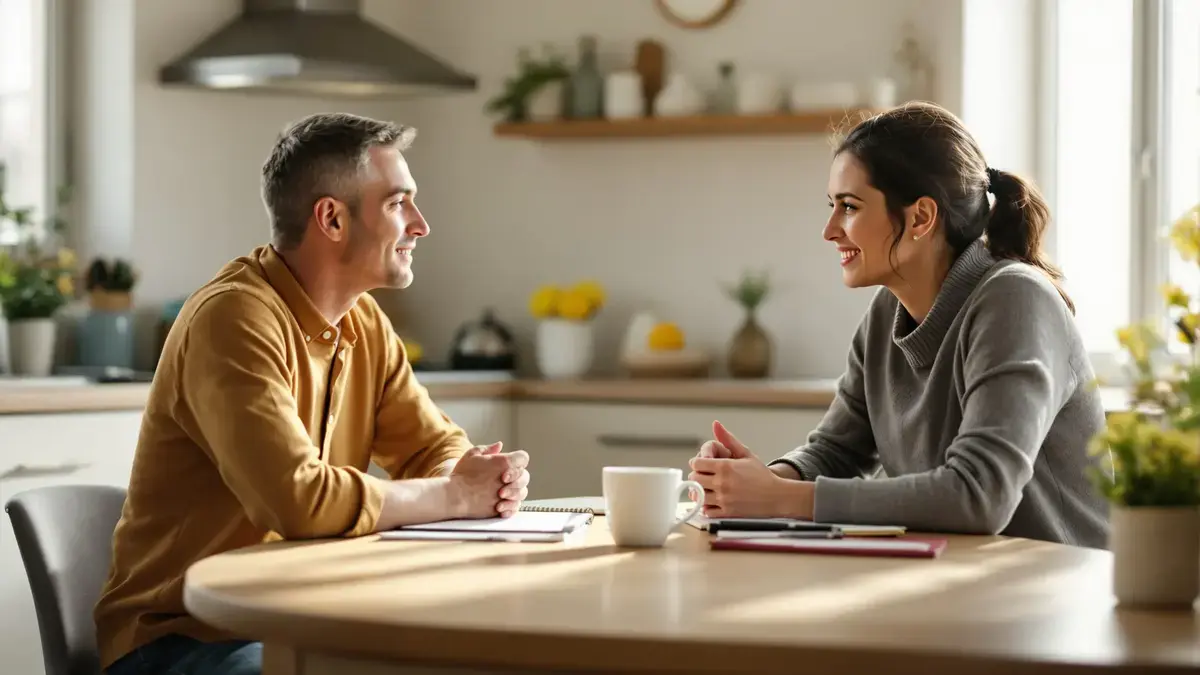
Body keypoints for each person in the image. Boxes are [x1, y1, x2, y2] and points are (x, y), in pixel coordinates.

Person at [95, 113, 531, 675]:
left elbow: (432, 448)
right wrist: (456, 496)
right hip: (182, 638)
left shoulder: (364, 322)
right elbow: (298, 501)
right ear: (331, 218)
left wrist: (473, 476)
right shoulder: (233, 318)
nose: (420, 225)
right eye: (399, 203)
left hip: (301, 619)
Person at [688, 102, 1109, 549]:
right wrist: (757, 484)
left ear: (920, 218)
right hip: (961, 586)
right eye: (832, 206)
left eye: (849, 207)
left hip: (1054, 593)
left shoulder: (1015, 299)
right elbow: (838, 451)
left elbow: (979, 494)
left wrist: (782, 499)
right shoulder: (887, 310)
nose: (829, 230)